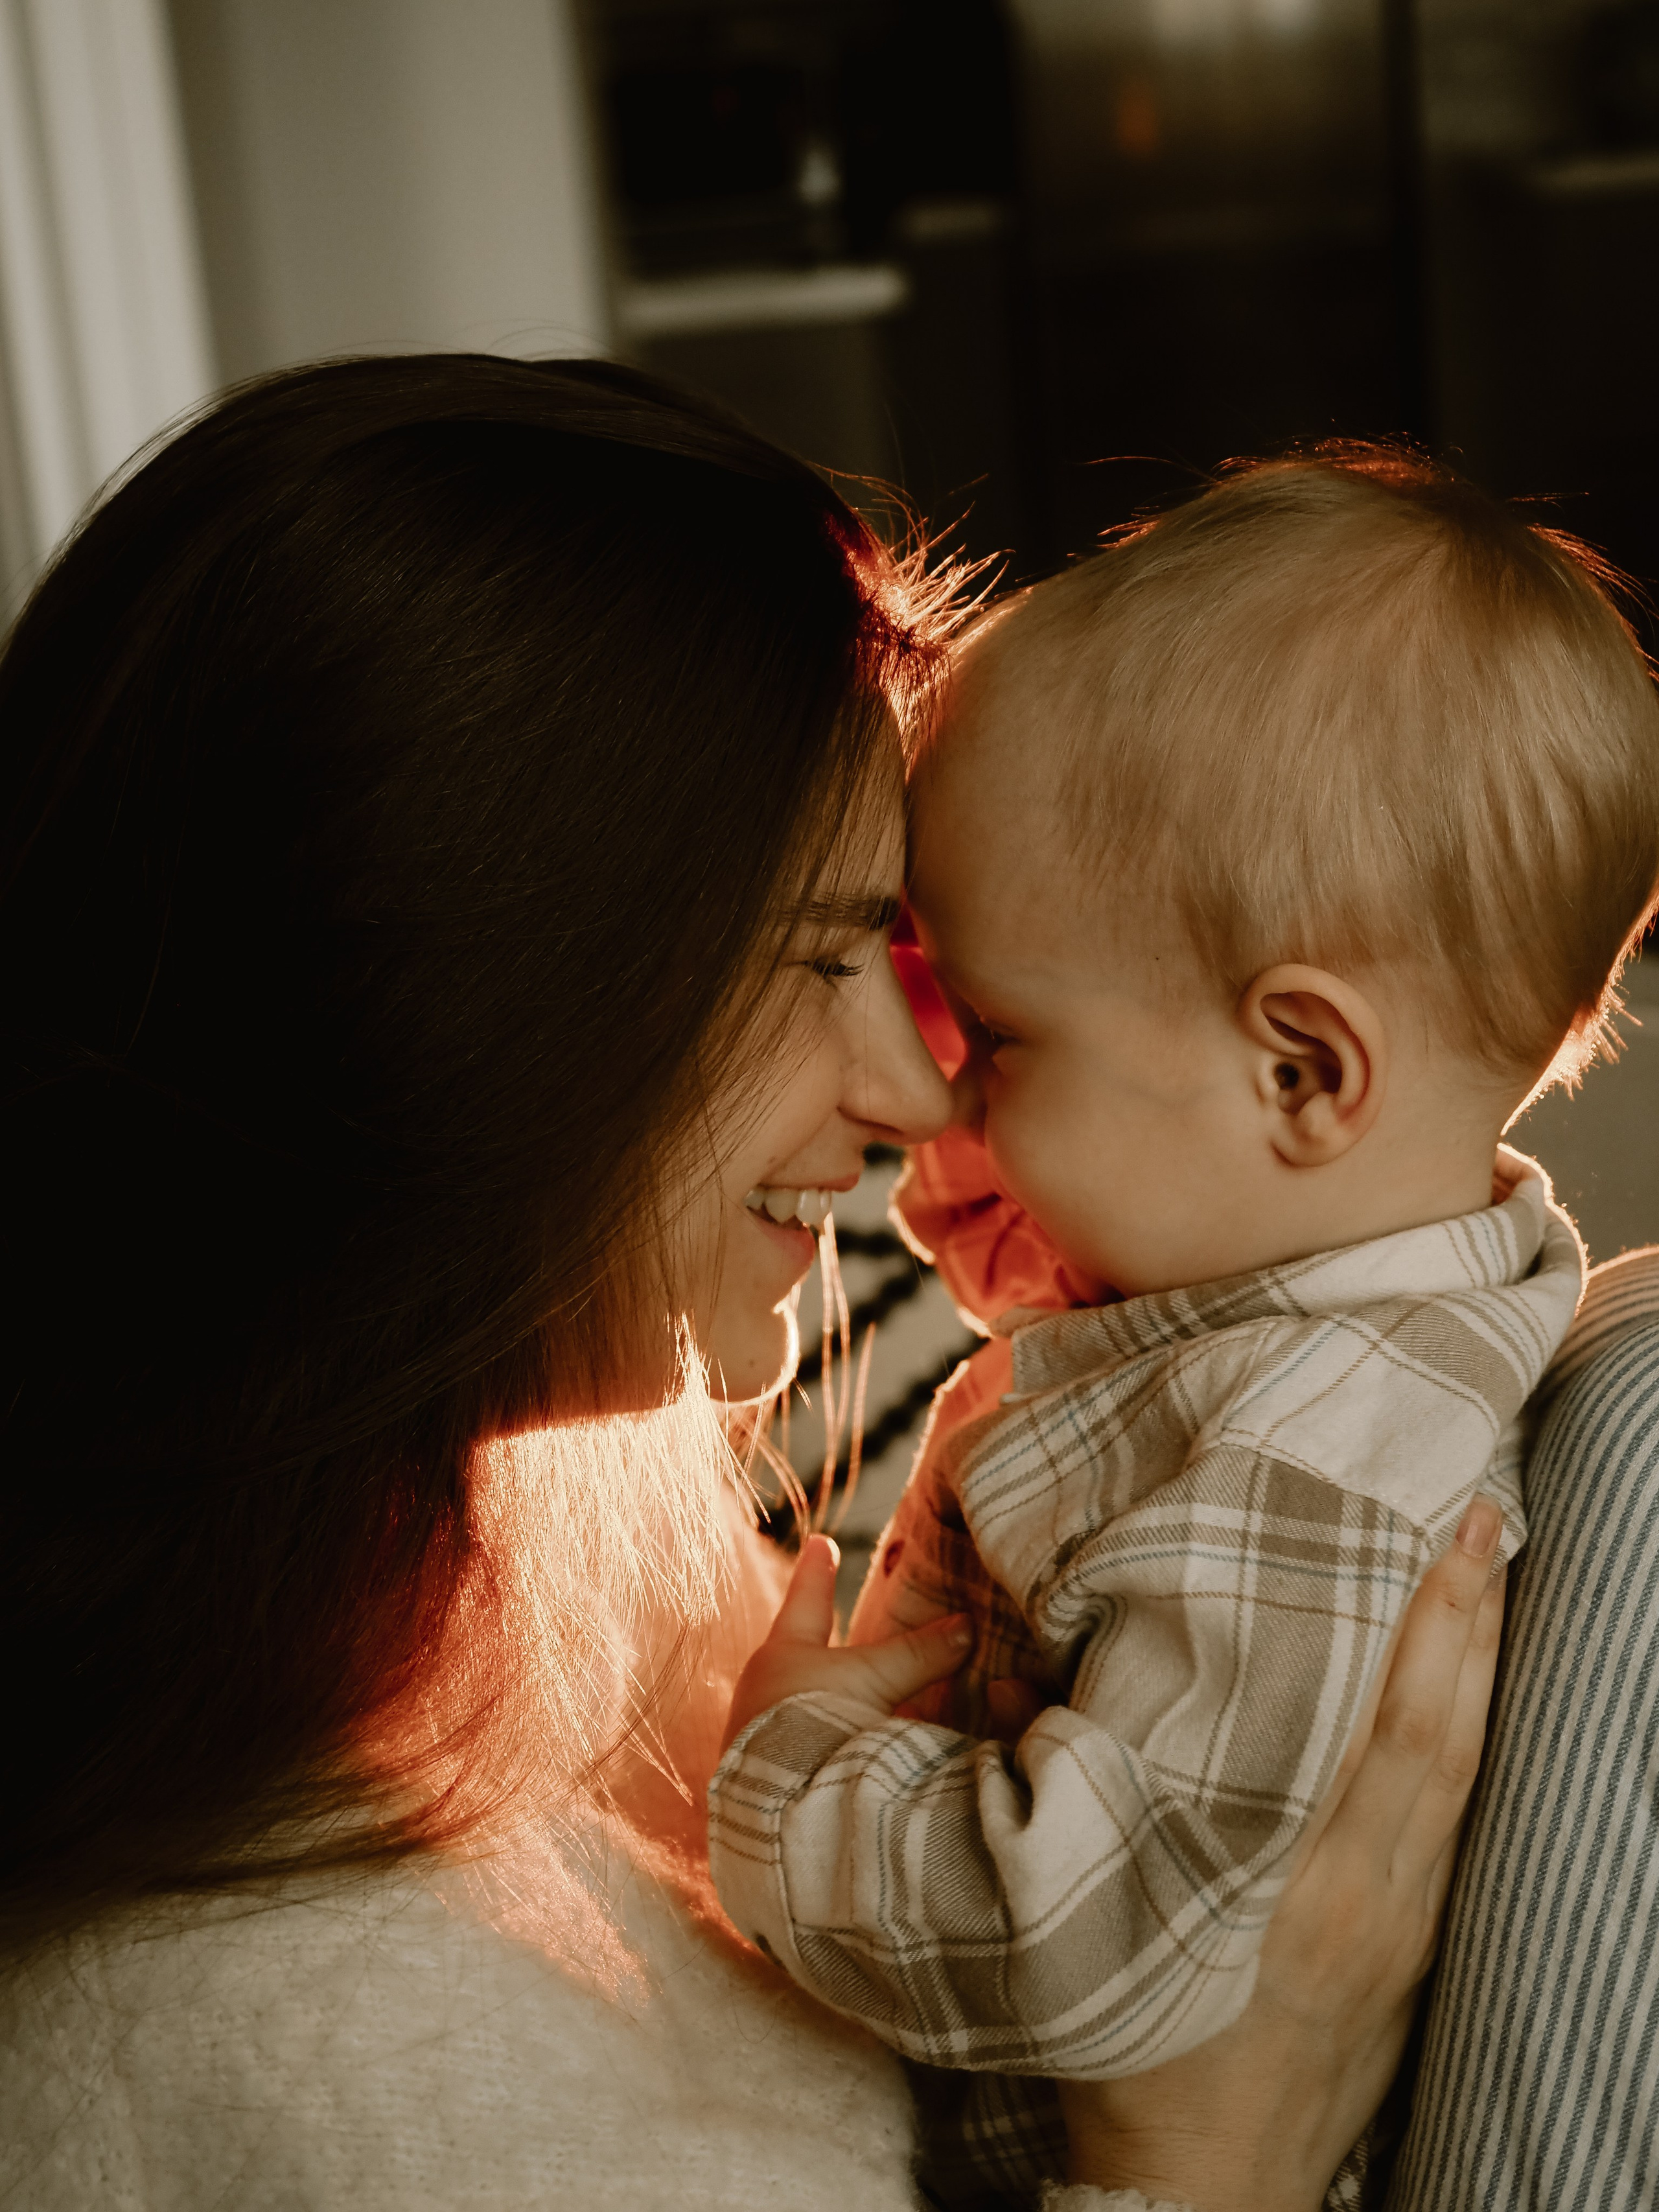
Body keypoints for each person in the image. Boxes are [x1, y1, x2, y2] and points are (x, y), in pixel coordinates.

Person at [0, 358, 1505, 2212]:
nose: (917, 1088)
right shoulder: (289, 2045)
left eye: (912, 962)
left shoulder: (529, 1603)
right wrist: (1213, 2166)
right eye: (815, 965)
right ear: (483, 1011)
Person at [707, 451, 1659, 2204]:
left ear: (1299, 1070)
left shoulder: (1310, 1460)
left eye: (995, 1034)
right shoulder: (1318, 1325)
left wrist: (782, 1793)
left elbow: (1089, 1930)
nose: (933, 1093)